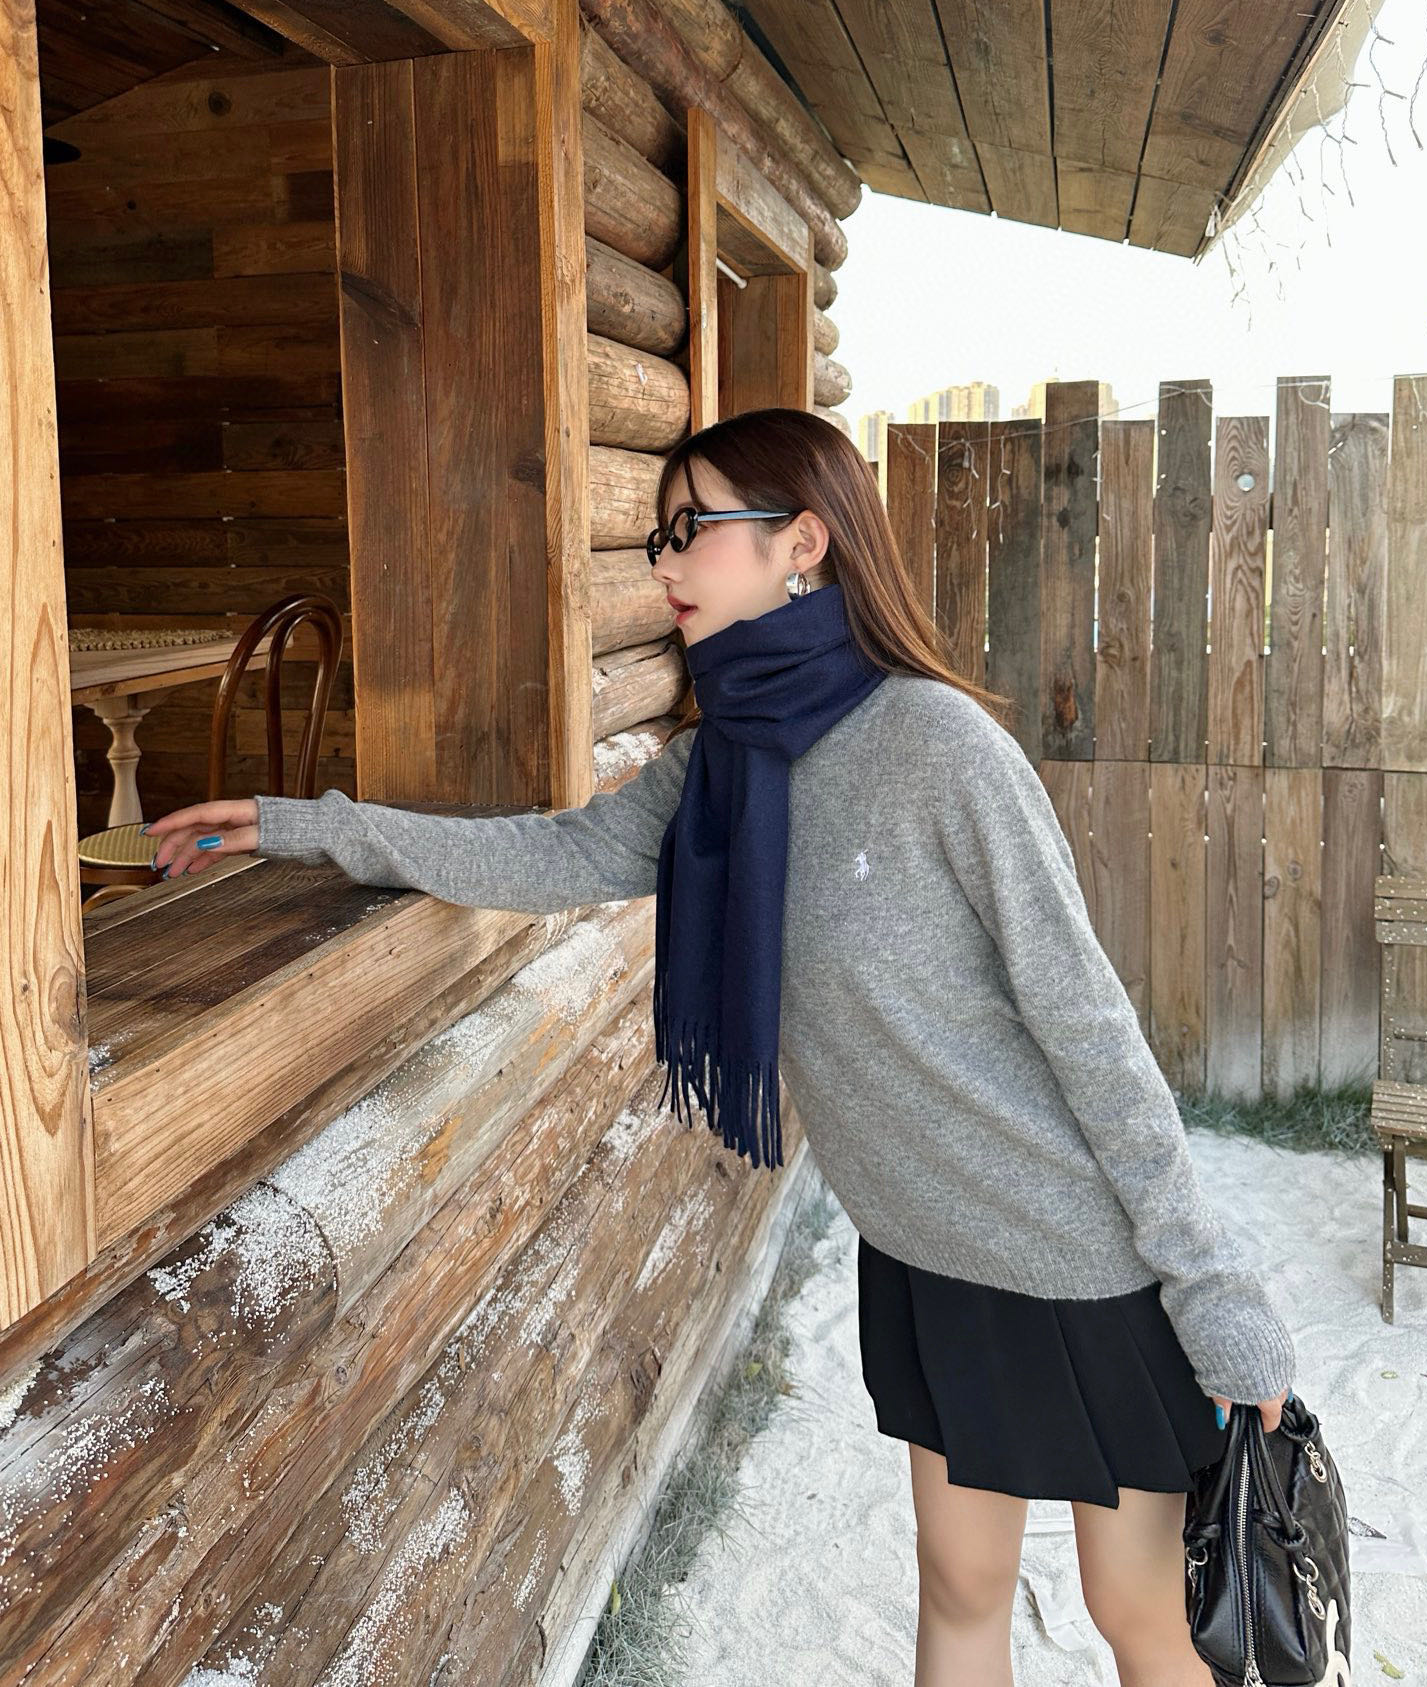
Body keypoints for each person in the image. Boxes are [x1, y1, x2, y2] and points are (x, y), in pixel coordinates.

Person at [146, 407, 1295, 1686]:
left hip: (1071, 1251)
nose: (665, 562)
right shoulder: (719, 765)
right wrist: (309, 825)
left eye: (692, 528)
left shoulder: (941, 748)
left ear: (802, 541)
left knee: (1140, 1614)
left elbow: (1093, 1033)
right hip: (924, 1252)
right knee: (962, 1588)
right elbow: (554, 852)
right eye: (658, 535)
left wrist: (1215, 1290)